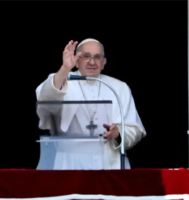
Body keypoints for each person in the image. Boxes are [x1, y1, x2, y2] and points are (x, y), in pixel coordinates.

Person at [36, 38, 146, 170]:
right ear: (77, 61)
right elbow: (46, 100)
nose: (92, 62)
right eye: (86, 56)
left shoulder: (119, 87)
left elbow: (135, 130)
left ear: (104, 62)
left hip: (110, 163)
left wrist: (118, 133)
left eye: (97, 57)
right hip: (69, 163)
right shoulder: (61, 80)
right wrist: (65, 68)